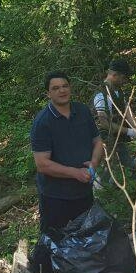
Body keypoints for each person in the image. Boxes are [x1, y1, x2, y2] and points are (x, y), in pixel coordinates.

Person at [30, 71, 105, 233]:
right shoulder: (43, 122)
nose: (62, 91)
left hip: (84, 191)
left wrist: (94, 162)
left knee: (86, 237)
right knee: (53, 242)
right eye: (55, 88)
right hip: (55, 196)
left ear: (70, 88)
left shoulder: (82, 111)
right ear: (48, 93)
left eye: (65, 86)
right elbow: (42, 164)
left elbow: (98, 141)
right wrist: (75, 173)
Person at [93, 59, 136, 174]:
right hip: (104, 141)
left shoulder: (119, 92)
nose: (125, 81)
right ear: (114, 75)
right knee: (107, 173)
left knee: (128, 166)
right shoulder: (101, 94)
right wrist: (129, 132)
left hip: (118, 139)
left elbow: (129, 115)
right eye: (123, 77)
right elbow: (104, 123)